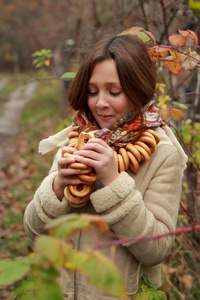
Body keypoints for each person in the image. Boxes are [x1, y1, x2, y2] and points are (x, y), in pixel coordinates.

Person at [24, 34, 188, 300]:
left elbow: (157, 249)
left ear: (139, 89)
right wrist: (57, 186)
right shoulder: (76, 140)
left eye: (114, 92)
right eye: (92, 91)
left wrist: (113, 182)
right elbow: (33, 232)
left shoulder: (162, 155)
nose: (100, 103)